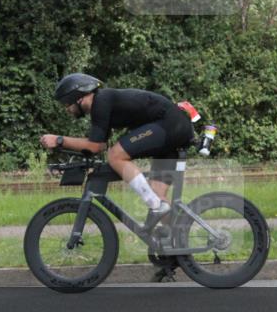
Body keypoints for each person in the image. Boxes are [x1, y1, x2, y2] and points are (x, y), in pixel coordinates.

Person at [39, 73, 195, 223]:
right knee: (158, 197)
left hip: (170, 125)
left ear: (77, 98)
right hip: (173, 127)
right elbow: (99, 145)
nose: (66, 109)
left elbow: (93, 146)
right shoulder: (103, 104)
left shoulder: (101, 100)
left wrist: (59, 140)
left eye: (66, 104)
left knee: (116, 155)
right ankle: (177, 240)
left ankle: (155, 203)